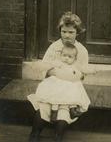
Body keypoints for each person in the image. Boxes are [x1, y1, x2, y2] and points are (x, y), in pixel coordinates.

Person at [28, 11, 90, 142]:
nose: (67, 35)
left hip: (70, 85)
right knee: (44, 105)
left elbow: (81, 73)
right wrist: (56, 72)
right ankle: (34, 134)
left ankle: (58, 136)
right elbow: (46, 67)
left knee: (64, 108)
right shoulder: (54, 47)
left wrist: (69, 75)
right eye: (64, 31)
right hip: (53, 82)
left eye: (71, 32)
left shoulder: (81, 50)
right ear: (60, 31)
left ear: (77, 33)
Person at [28, 43, 90, 124]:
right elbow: (48, 67)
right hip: (58, 83)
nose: (66, 58)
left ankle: (72, 108)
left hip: (69, 84)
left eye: (70, 57)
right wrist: (39, 66)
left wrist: (90, 71)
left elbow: (81, 72)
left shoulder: (75, 65)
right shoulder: (58, 63)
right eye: (64, 55)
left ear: (74, 59)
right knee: (55, 95)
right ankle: (54, 112)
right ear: (60, 55)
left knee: (74, 92)